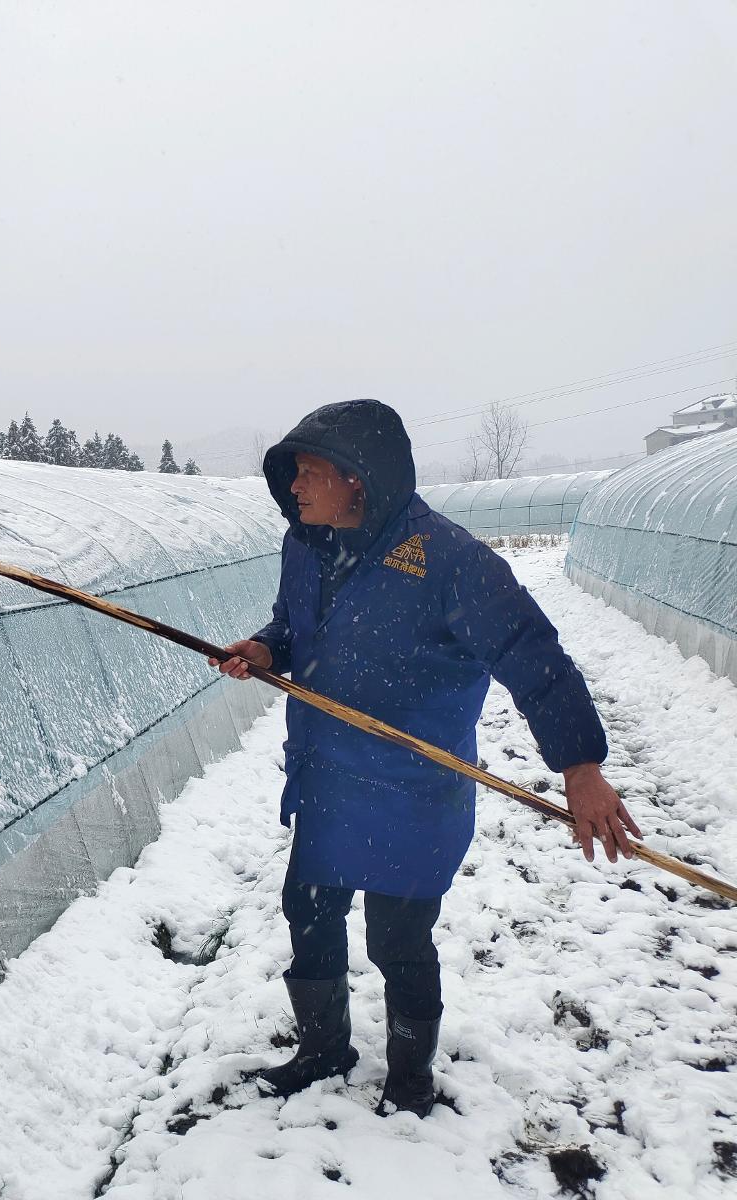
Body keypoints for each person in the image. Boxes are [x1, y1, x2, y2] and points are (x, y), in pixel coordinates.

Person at [208, 399, 640, 1117]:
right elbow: (295, 626)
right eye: (293, 475)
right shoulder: (306, 545)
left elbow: (534, 658)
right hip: (328, 780)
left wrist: (581, 768)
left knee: (397, 939)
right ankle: (322, 1050)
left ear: (358, 478)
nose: (295, 488)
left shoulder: (450, 561)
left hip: (413, 793)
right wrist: (266, 647)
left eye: (310, 472)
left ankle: (410, 1077)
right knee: (307, 915)